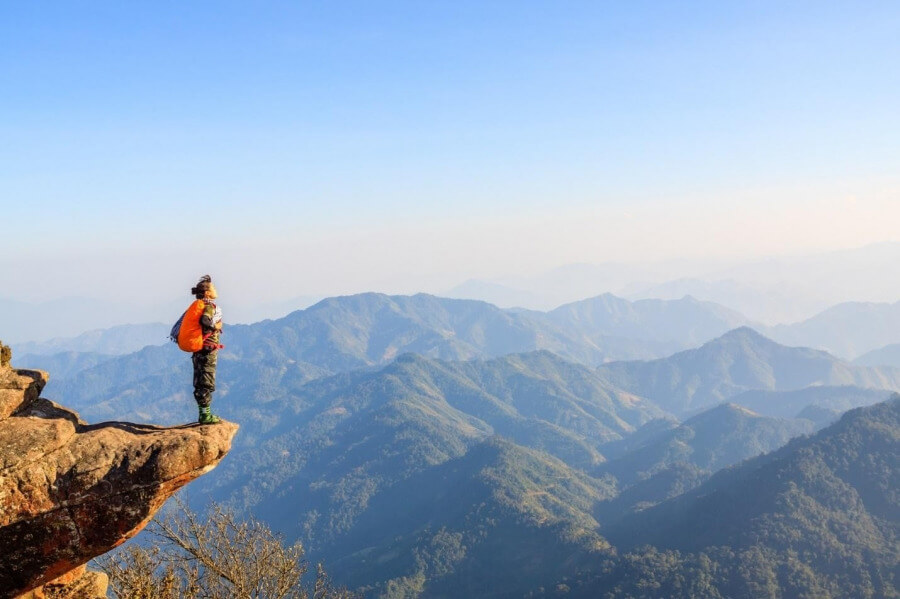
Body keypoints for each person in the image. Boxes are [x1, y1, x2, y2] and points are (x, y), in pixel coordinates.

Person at [190, 275, 224, 424]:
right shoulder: (209, 306)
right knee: (206, 382)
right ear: (207, 293)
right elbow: (205, 320)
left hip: (199, 349)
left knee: (200, 381)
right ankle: (205, 416)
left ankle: (204, 413)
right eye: (213, 287)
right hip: (207, 350)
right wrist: (215, 326)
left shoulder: (199, 306)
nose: (216, 289)